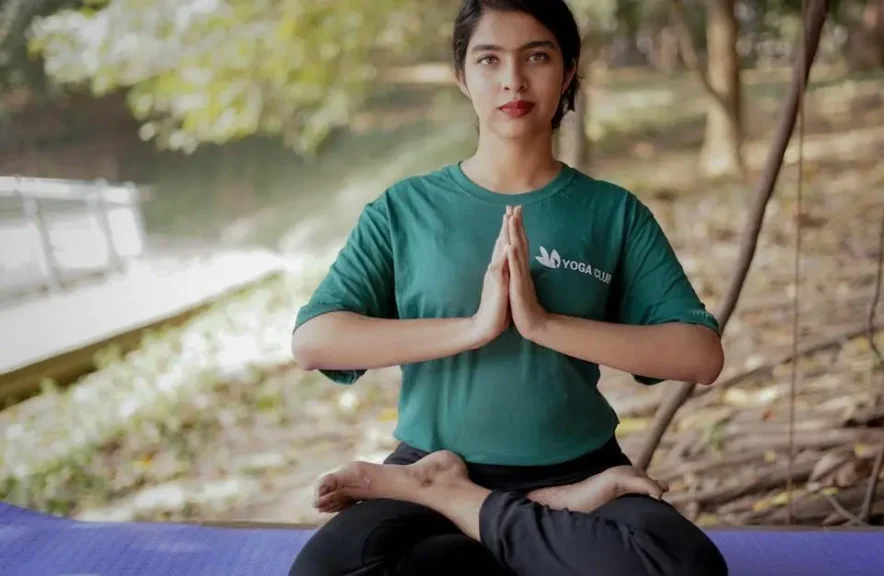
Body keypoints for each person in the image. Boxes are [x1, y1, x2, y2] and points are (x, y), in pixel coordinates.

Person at [287, 1, 728, 574]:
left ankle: (477, 504)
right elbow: (314, 341)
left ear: (568, 71)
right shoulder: (405, 209)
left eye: (536, 57)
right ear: (462, 78)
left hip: (581, 472)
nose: (512, 80)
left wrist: (544, 325)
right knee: (327, 571)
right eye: (488, 59)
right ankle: (498, 516)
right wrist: (474, 328)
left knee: (685, 566)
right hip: (428, 462)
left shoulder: (612, 212)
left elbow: (700, 354)